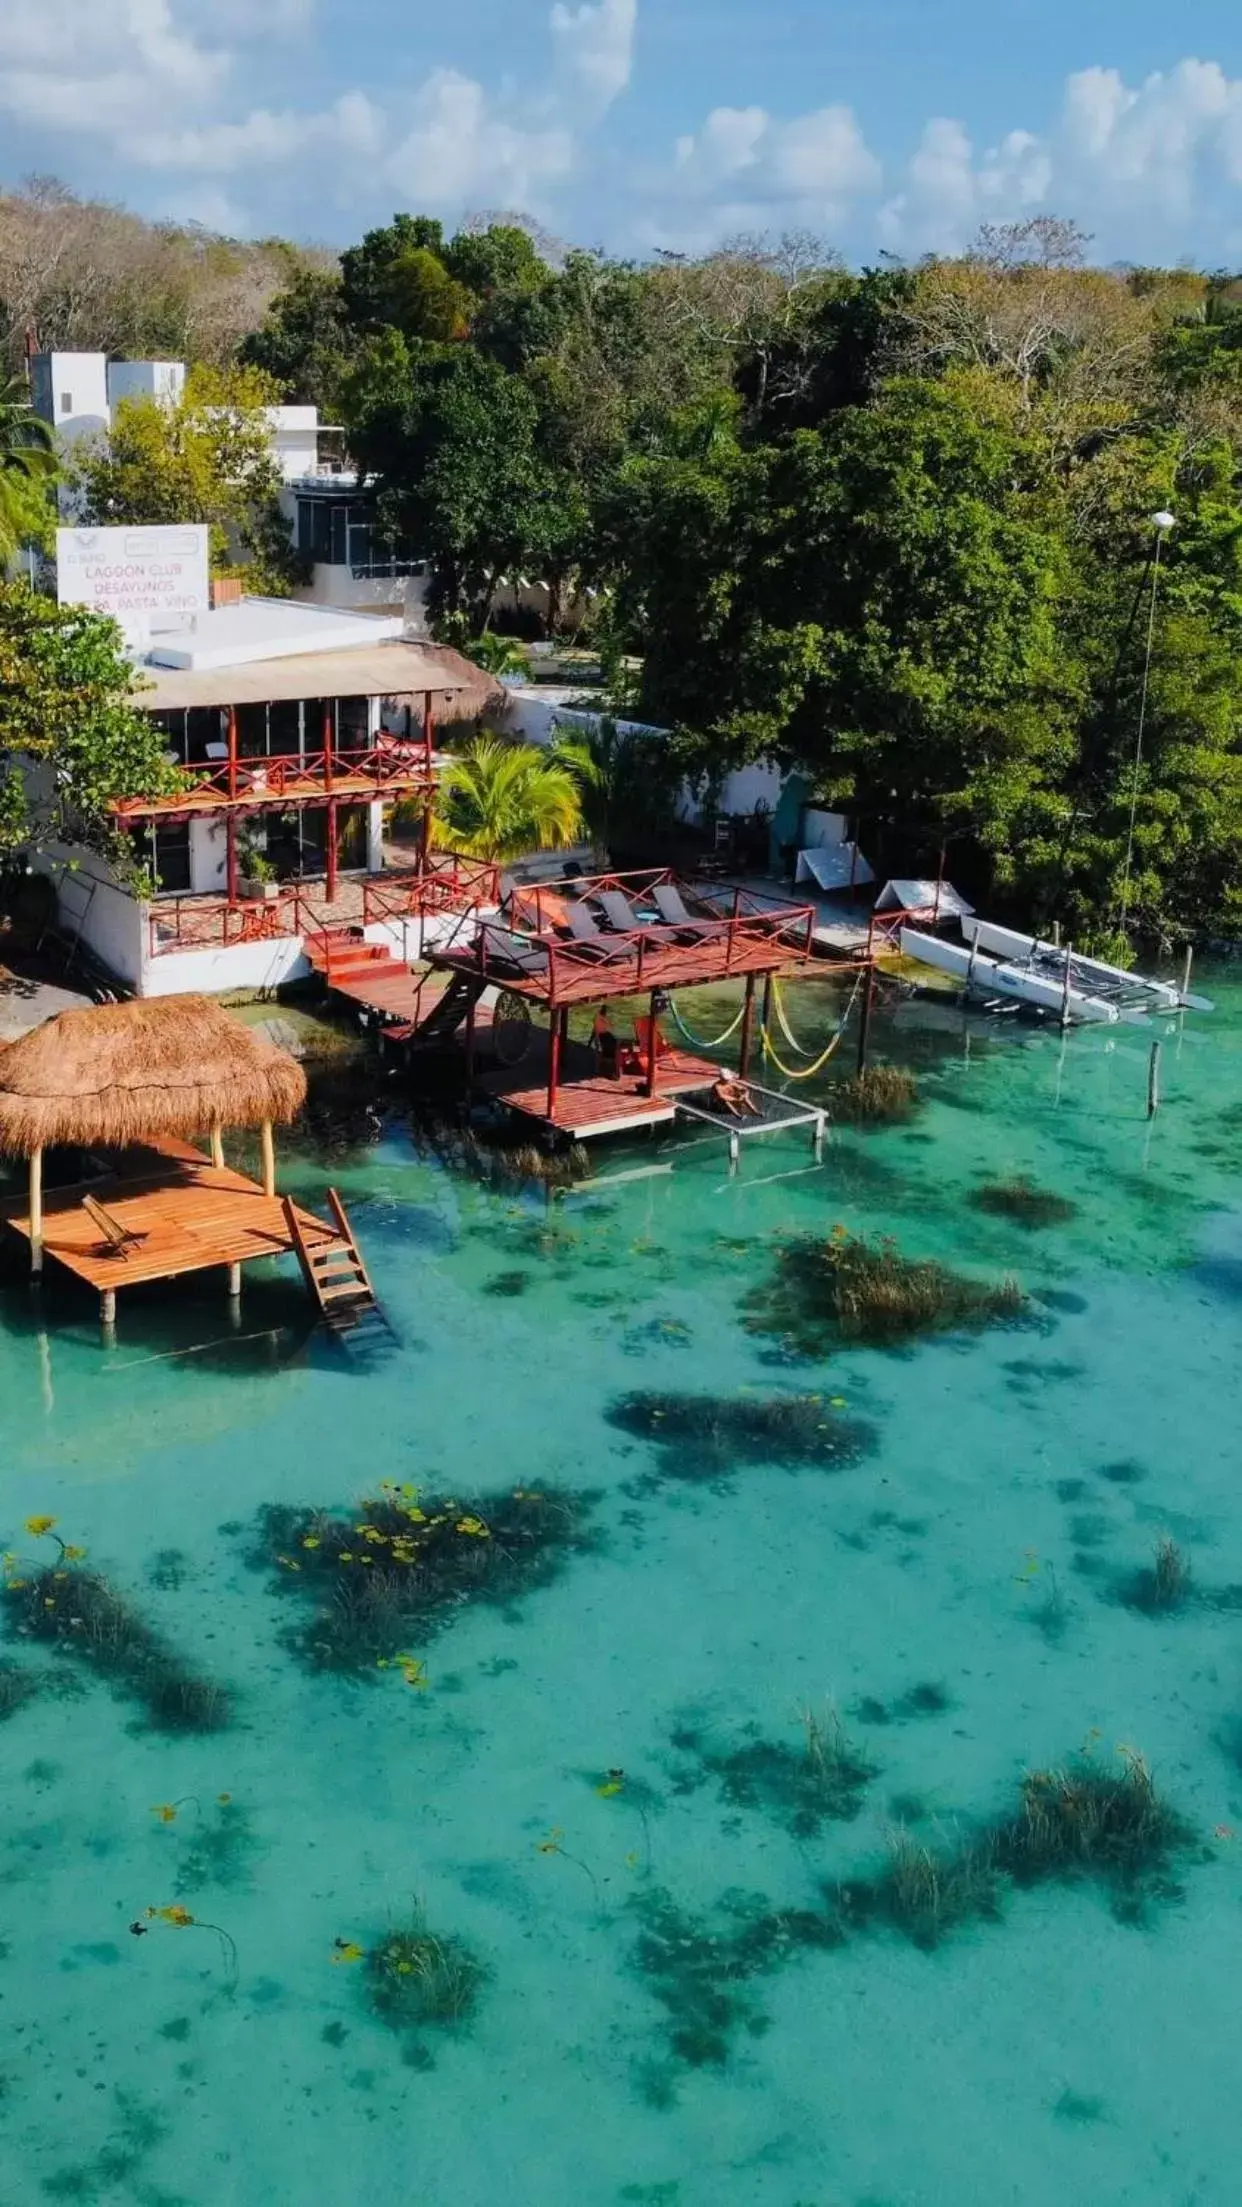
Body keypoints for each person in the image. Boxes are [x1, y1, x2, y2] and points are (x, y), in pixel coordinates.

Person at [593, 1007, 620, 1079]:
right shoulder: (599, 1017)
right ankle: (600, 1067)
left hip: (604, 1034)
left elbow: (609, 1026)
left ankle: (612, 1059)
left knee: (615, 1043)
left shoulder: (600, 1017)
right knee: (600, 1051)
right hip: (601, 1035)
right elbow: (598, 1028)